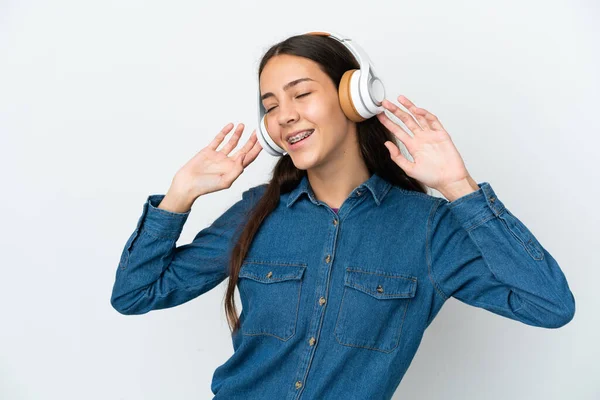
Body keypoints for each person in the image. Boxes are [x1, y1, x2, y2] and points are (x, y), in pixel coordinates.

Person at [110, 31, 576, 400]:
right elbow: (135, 294)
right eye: (270, 106)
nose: (284, 116)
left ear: (354, 97)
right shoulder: (257, 210)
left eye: (300, 94)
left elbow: (550, 305)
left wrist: (459, 188)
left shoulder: (429, 229)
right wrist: (179, 197)